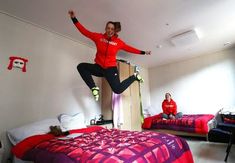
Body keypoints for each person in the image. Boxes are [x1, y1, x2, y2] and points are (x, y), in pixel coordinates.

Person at [68, 10, 151, 101]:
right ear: (105, 28)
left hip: (111, 69)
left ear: (114, 31)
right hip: (99, 67)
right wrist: (74, 19)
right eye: (108, 28)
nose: (110, 30)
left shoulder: (118, 42)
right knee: (81, 67)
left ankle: (134, 76)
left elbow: (130, 49)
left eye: (112, 29)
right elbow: (84, 32)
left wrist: (143, 52)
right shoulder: (98, 37)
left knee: (117, 90)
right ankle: (94, 88)